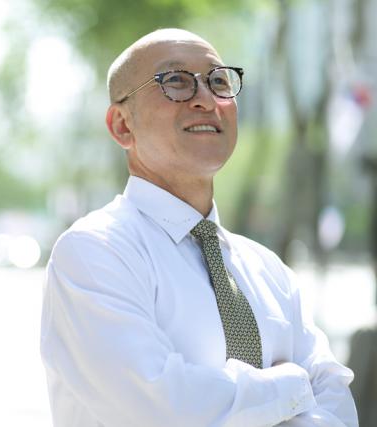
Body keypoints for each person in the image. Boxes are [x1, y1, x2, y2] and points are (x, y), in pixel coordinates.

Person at [40, 28, 358, 427]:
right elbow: (158, 410)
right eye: (175, 81)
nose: (206, 100)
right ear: (122, 125)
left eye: (219, 81)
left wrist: (236, 402)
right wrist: (292, 385)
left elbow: (338, 407)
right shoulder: (94, 252)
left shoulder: (269, 270)